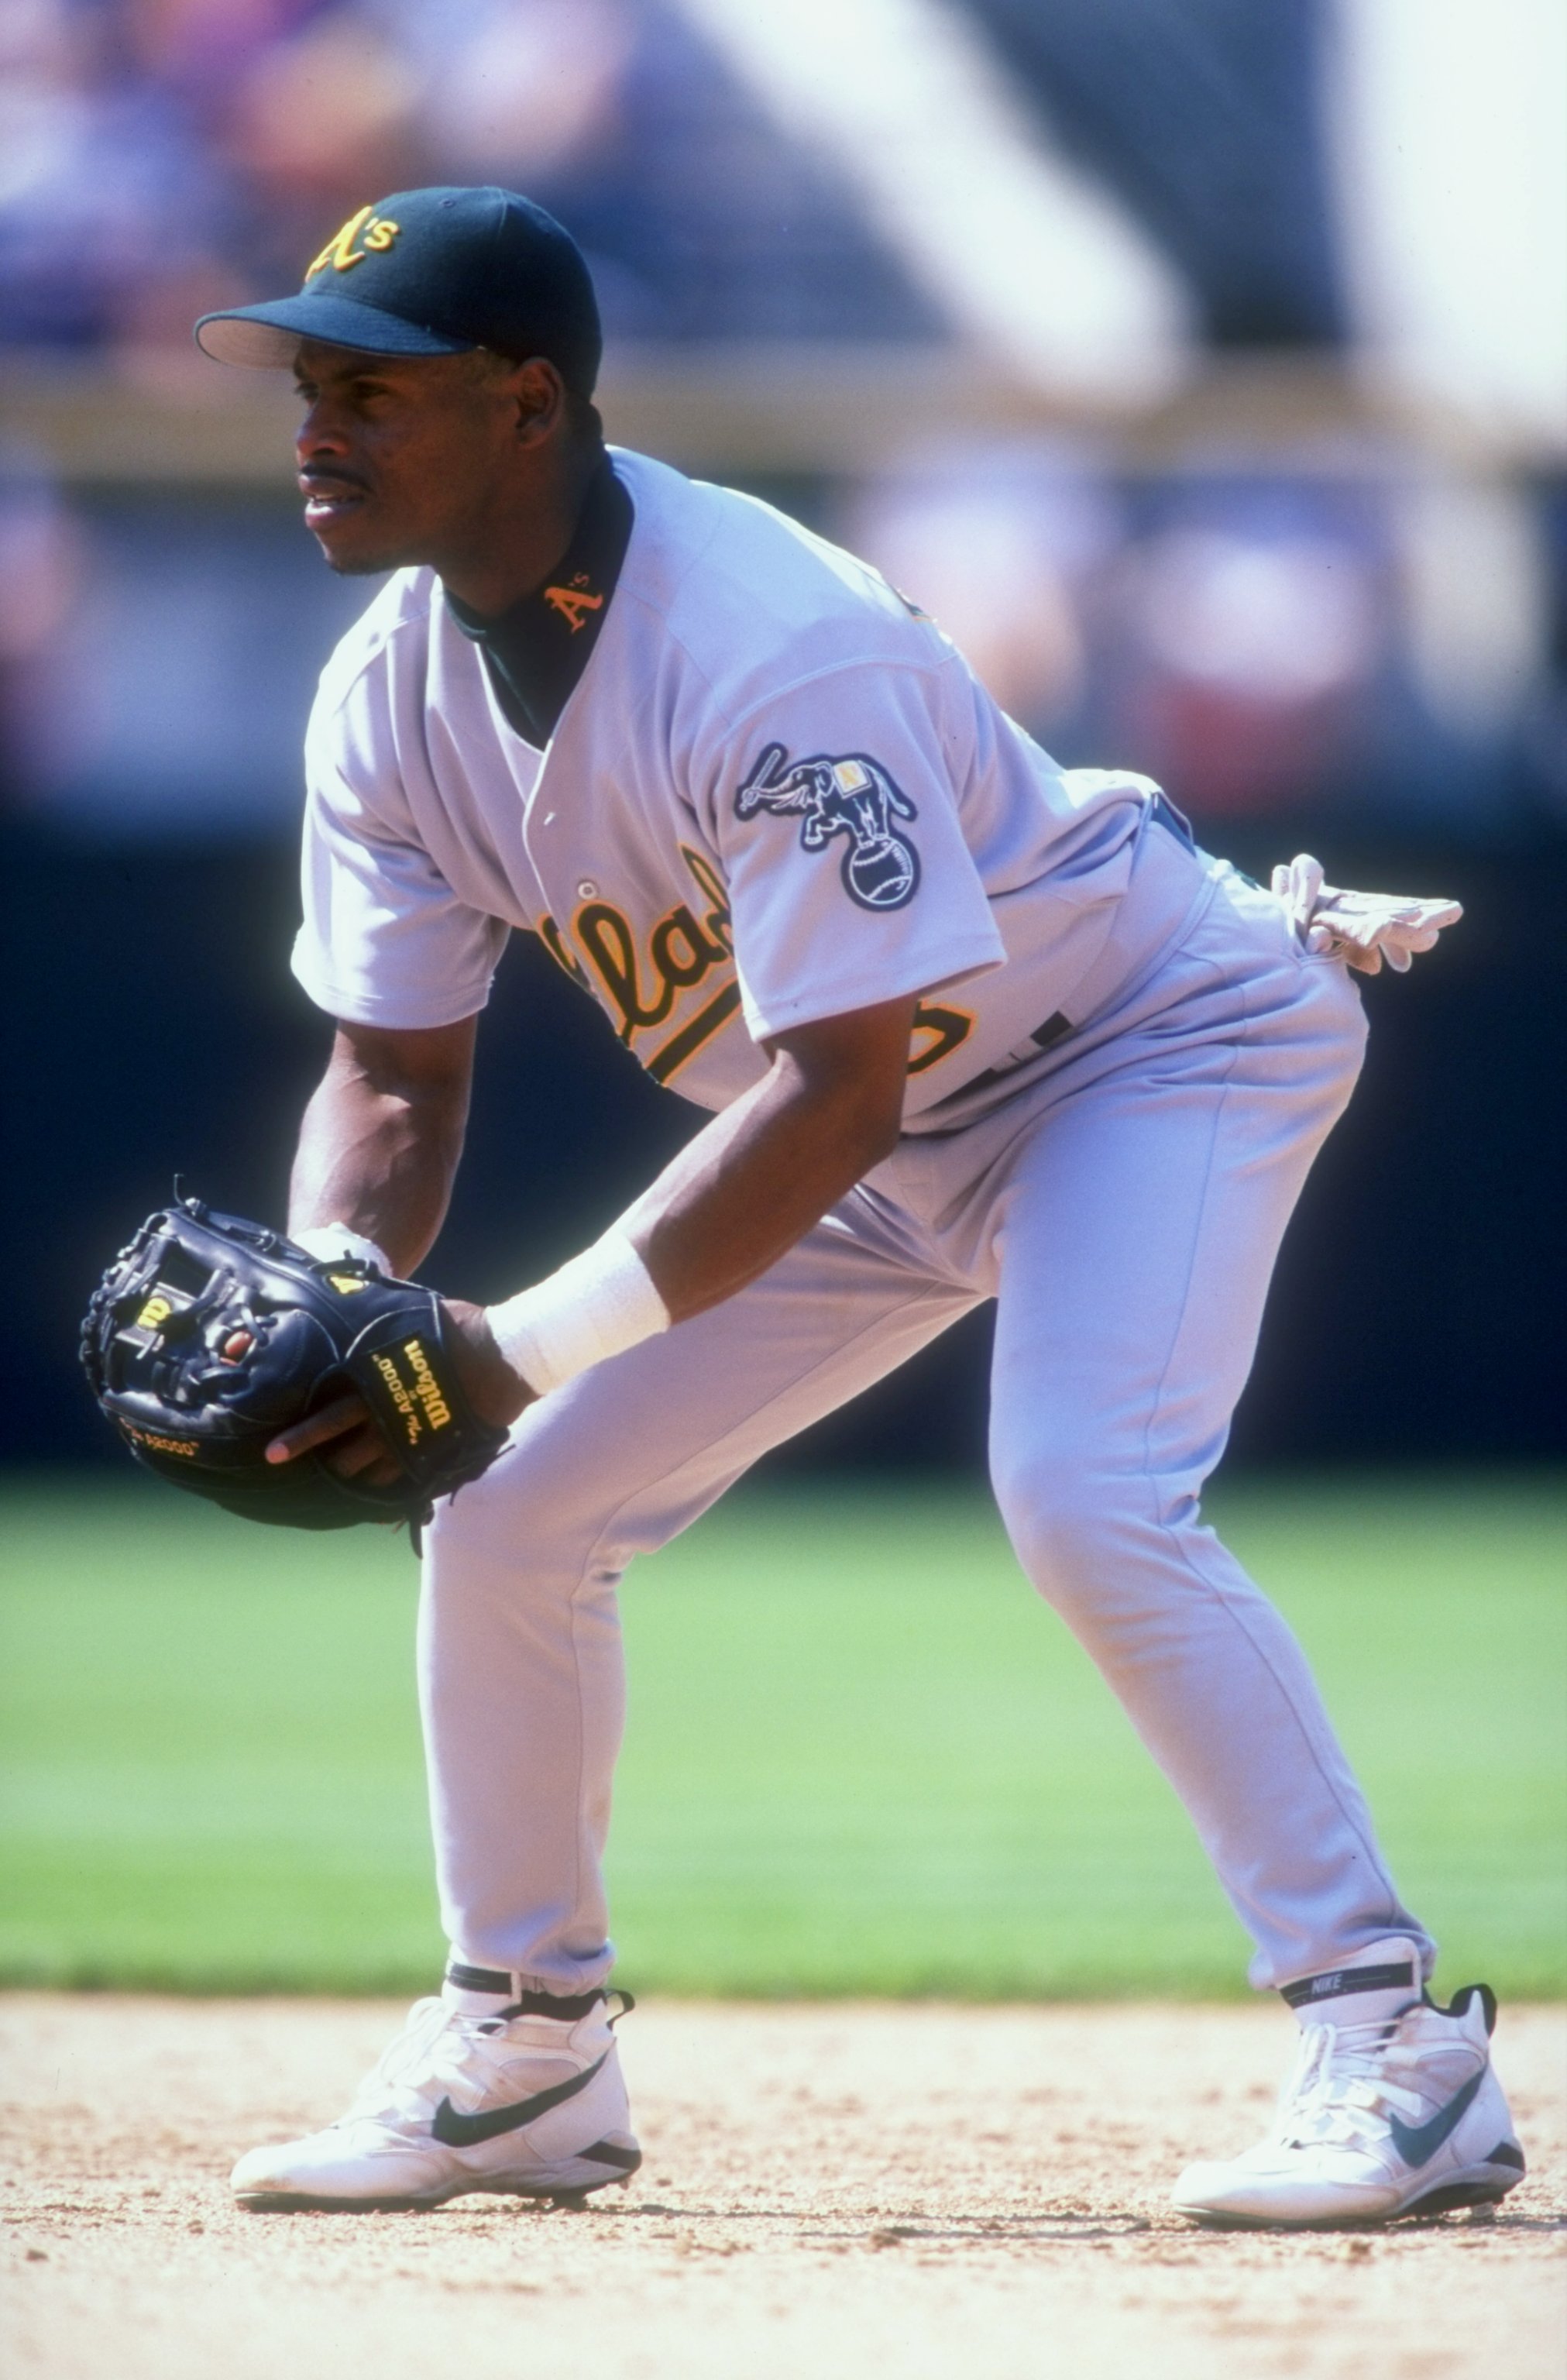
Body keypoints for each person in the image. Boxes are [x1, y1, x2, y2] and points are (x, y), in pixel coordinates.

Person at [194, 187, 1523, 2229]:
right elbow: (392, 1068)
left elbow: (834, 1085)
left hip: (1147, 1039)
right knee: (511, 1505)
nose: (314, 428)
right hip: (872, 1122)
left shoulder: (768, 644)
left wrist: (502, 1350)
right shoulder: (385, 691)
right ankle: (526, 2048)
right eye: (309, 384)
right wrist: (350, 1294)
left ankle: (1395, 2049)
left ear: (528, 404)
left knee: (1084, 1489)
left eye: (370, 387)